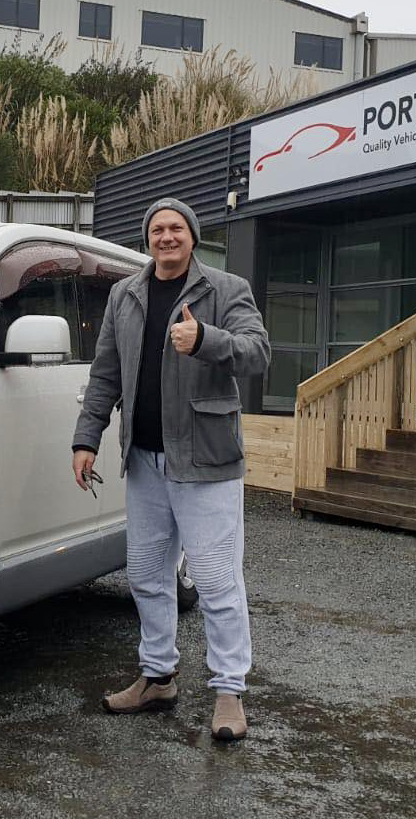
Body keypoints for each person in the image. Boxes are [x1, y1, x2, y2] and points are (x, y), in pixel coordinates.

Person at [71, 197, 270, 742]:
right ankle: (158, 677)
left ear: (192, 235)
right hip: (144, 460)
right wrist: (87, 437)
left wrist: (205, 340)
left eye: (176, 228)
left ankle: (229, 690)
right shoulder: (125, 295)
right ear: (148, 238)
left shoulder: (226, 289)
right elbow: (106, 372)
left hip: (206, 459)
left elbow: (257, 353)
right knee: (145, 574)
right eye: (157, 229)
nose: (166, 237)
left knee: (216, 578)